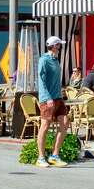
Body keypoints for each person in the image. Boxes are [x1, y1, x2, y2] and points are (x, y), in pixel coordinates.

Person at [36, 36, 70, 168]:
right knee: (45, 126)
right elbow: (41, 80)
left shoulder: (55, 60)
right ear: (54, 46)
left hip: (58, 97)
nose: (60, 47)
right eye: (59, 45)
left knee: (65, 122)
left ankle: (55, 155)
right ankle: (40, 157)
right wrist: (48, 97)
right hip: (47, 99)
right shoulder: (44, 60)